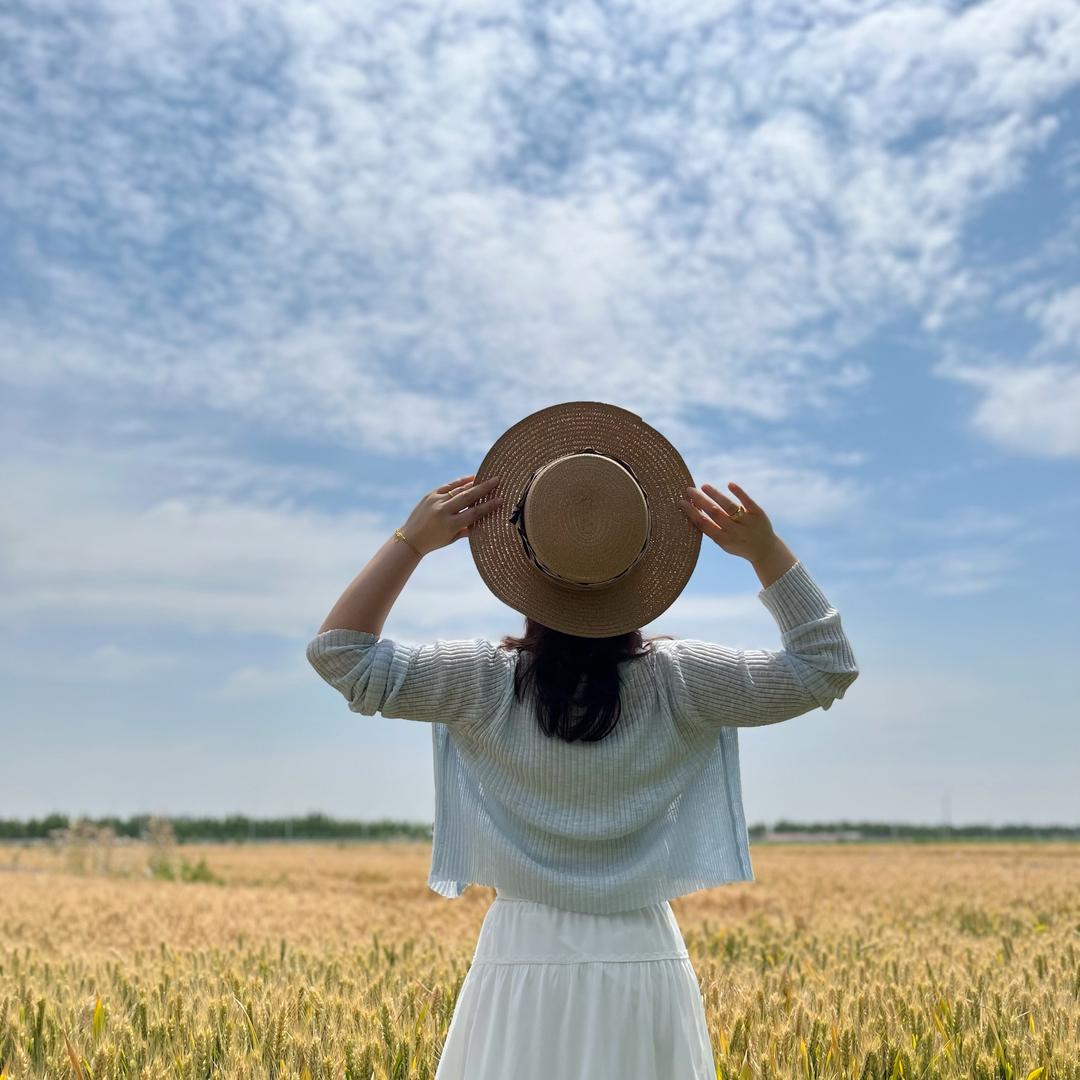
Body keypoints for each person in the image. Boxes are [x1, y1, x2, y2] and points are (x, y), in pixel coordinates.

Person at [306, 401, 859, 1080]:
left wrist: (410, 542)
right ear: (643, 563)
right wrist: (766, 552)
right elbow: (826, 666)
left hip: (520, 960)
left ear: (523, 565)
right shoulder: (682, 680)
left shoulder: (480, 681)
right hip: (644, 961)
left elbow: (341, 655)